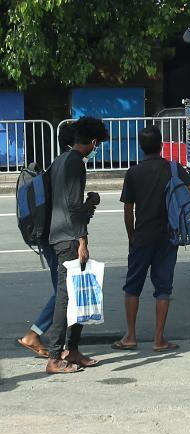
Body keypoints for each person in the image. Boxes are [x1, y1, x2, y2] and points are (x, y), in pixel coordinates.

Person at [114, 126, 190, 352]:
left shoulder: (133, 173)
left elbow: (128, 210)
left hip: (142, 236)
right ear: (162, 145)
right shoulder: (173, 168)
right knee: (163, 288)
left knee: (132, 286)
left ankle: (130, 336)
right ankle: (159, 339)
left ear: (140, 147)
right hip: (168, 236)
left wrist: (132, 236)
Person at [45, 116, 108, 374]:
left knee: (77, 293)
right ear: (93, 141)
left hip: (58, 234)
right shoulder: (75, 164)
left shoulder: (60, 160)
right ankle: (55, 356)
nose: (96, 148)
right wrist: (83, 241)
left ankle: (73, 349)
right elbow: (72, 207)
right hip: (69, 238)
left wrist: (88, 203)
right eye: (98, 144)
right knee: (66, 297)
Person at [17, 121, 77, 359]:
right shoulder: (66, 165)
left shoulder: (57, 163)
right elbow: (67, 206)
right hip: (56, 237)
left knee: (61, 290)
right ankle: (34, 334)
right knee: (63, 292)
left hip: (47, 235)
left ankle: (55, 339)